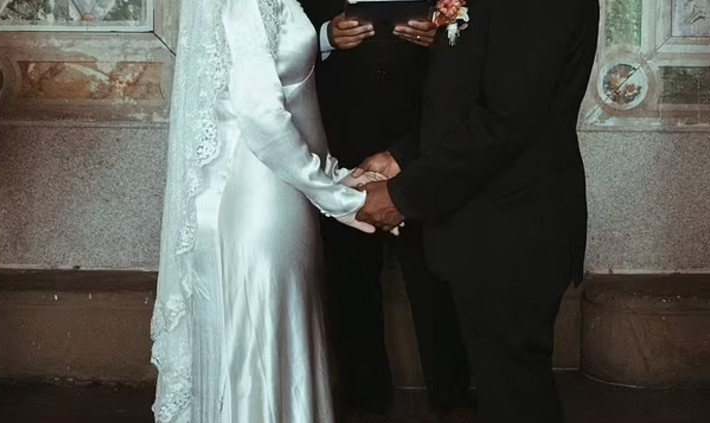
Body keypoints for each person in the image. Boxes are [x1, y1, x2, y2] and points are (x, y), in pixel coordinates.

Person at [355, 0, 600, 422]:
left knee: (516, 399)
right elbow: (469, 95)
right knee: (503, 392)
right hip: (489, 223)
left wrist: (404, 195)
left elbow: (507, 119)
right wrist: (404, 156)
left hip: (513, 226)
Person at [150, 0, 380, 422]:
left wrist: (335, 175)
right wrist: (336, 198)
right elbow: (261, 114)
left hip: (282, 187)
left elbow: (295, 98)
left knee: (283, 341)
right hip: (260, 196)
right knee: (264, 343)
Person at [299, 1, 473, 421]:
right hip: (340, 137)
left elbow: (478, 35)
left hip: (422, 135)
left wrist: (442, 38)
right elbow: (278, 33)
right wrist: (324, 37)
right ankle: (364, 399)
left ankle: (452, 396)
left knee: (434, 271)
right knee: (349, 276)